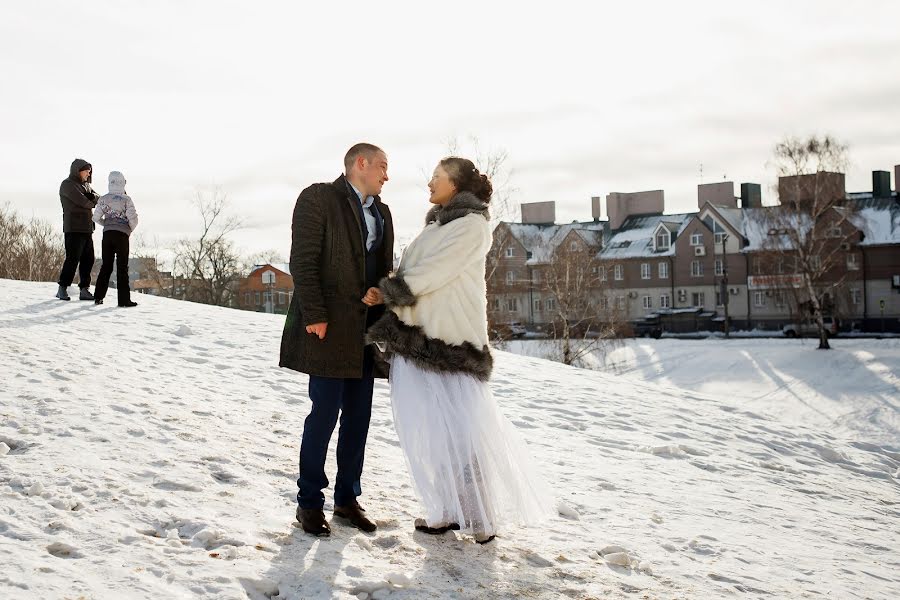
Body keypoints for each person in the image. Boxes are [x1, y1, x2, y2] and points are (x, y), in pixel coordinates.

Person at [367, 157, 553, 544]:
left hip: (450, 343)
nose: (429, 184)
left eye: (436, 178)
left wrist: (389, 292)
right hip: (420, 338)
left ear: (456, 184)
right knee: (432, 432)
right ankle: (446, 511)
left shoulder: (471, 226)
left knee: (462, 435)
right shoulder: (437, 224)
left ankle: (480, 516)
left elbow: (434, 272)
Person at [279, 143, 394, 537]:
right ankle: (309, 503)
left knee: (358, 420)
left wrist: (381, 293)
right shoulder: (318, 198)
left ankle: (347, 499)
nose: (386, 175)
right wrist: (314, 316)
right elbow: (303, 260)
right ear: (360, 163)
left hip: (363, 334)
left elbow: (382, 268)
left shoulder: (383, 212)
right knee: (323, 417)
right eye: (382, 166)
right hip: (328, 330)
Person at [92, 171, 139, 307]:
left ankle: (98, 297)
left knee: (106, 266)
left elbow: (95, 217)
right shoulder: (126, 200)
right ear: (123, 183)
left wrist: (106, 224)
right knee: (122, 267)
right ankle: (123, 300)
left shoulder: (103, 199)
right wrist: (128, 229)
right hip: (122, 236)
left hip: (108, 235)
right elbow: (133, 219)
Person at [56, 159, 99, 301]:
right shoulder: (67, 184)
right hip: (73, 228)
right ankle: (62, 288)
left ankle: (84, 289)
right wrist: (90, 199)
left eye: (89, 171)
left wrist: (91, 198)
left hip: (87, 228)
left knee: (89, 259)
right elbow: (84, 202)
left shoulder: (86, 185)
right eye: (86, 171)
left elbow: (98, 199)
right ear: (78, 170)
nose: (89, 173)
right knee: (72, 259)